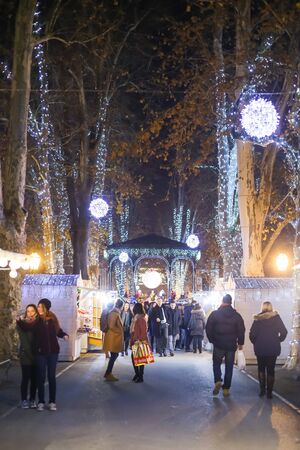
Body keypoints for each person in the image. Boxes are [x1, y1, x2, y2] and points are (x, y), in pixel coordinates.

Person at [17, 298, 69, 412]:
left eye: (40, 307)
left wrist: (64, 335)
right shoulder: (37, 320)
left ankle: (52, 402)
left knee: (51, 377)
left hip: (53, 353)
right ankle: (41, 401)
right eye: (38, 307)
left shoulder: (52, 319)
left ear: (46, 307)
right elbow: (27, 327)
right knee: (41, 377)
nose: (38, 309)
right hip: (40, 353)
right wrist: (19, 321)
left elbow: (58, 331)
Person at [206, 294, 245, 397]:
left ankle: (218, 380)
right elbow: (241, 330)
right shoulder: (237, 316)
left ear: (222, 301)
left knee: (216, 364)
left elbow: (208, 328)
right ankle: (226, 389)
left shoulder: (215, 314)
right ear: (231, 302)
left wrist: (212, 340)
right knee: (229, 367)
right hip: (231, 345)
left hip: (218, 344)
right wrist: (240, 343)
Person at [249, 301, 287, 399]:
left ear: (262, 307)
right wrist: (278, 340)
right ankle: (269, 393)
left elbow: (252, 334)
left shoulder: (258, 319)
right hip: (273, 348)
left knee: (261, 369)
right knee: (271, 370)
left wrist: (256, 342)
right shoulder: (276, 318)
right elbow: (284, 332)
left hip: (260, 348)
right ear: (271, 307)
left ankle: (262, 391)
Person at [16, 304, 39, 409]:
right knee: (25, 378)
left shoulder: (38, 324)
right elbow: (23, 338)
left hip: (35, 354)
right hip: (25, 354)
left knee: (34, 379)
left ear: (35, 312)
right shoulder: (21, 324)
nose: (30, 313)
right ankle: (24, 400)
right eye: (28, 311)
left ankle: (32, 399)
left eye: (32, 311)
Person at [103, 299, 124, 381]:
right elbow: (111, 326)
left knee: (114, 355)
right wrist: (119, 331)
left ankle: (108, 373)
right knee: (114, 355)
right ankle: (108, 373)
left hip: (114, 337)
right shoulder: (114, 313)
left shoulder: (115, 313)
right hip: (113, 337)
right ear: (121, 306)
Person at [130, 302, 149, 383]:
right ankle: (137, 374)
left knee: (140, 359)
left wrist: (139, 340)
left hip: (139, 340)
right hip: (136, 340)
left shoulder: (141, 318)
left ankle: (140, 376)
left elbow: (143, 331)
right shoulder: (136, 318)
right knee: (136, 358)